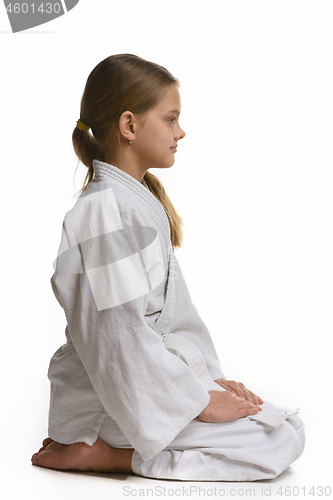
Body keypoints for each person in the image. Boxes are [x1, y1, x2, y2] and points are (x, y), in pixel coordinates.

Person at [31, 54, 305, 481]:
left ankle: (110, 448)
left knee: (284, 425)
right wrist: (197, 400)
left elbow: (169, 322)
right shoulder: (105, 210)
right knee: (278, 440)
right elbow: (115, 338)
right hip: (113, 403)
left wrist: (207, 382)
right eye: (171, 118)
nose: (181, 132)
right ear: (130, 126)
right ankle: (105, 455)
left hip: (148, 387)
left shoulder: (129, 202)